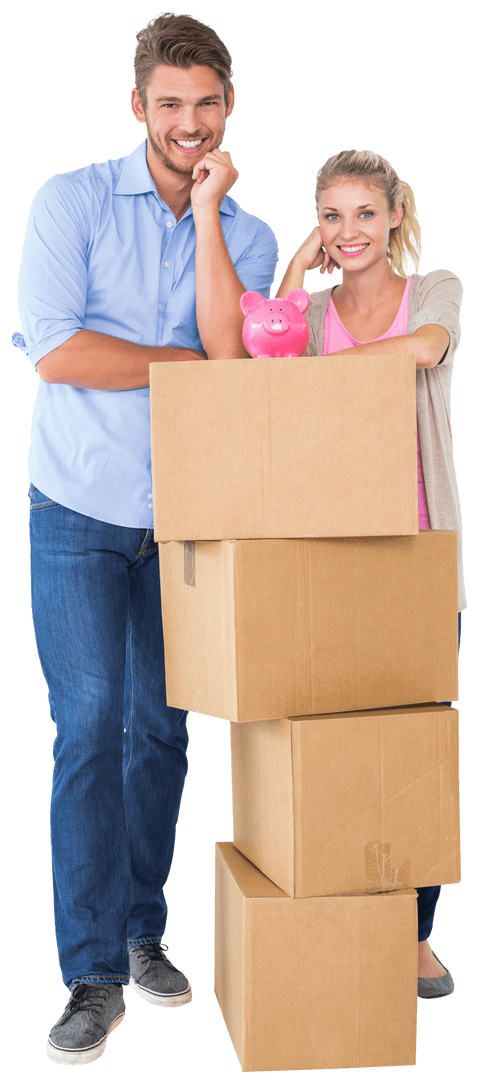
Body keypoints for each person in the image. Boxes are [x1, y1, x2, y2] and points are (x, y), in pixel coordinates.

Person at [12, 12, 278, 1066]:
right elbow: (60, 352)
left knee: (163, 735)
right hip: (76, 508)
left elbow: (229, 348)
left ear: (227, 106)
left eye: (206, 103)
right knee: (90, 728)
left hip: (188, 521)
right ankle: (86, 974)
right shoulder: (68, 200)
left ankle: (140, 935)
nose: (187, 121)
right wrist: (192, 370)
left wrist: (208, 215)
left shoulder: (246, 233)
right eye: (169, 103)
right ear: (138, 106)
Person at [277, 148, 465, 999]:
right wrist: (289, 272)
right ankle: (341, 916)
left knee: (415, 747)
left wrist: (311, 376)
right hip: (331, 551)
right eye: (329, 216)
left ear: (393, 215)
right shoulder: (309, 314)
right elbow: (262, 381)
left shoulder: (436, 290)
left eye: (361, 213)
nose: (346, 232)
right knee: (337, 748)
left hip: (415, 549)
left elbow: (422, 354)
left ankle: (416, 936)